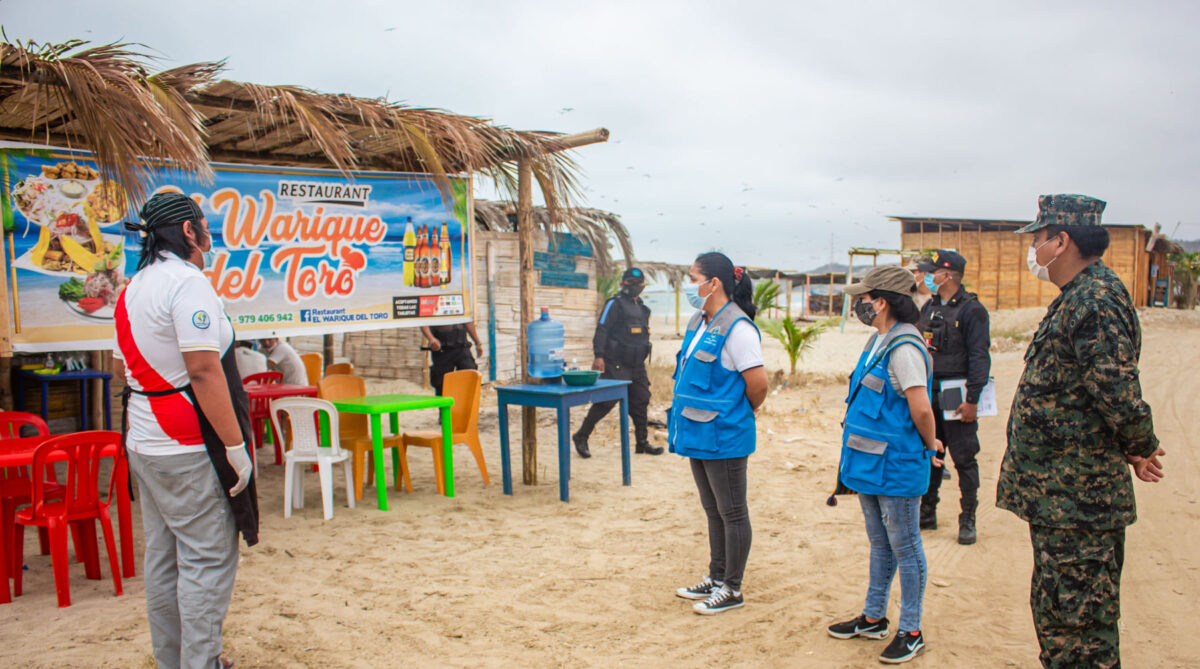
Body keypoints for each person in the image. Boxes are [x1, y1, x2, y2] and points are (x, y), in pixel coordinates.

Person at [997, 194, 1164, 668]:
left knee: (1080, 630)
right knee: (1059, 618)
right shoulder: (1079, 297)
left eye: (1036, 239)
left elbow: (1116, 390)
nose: (1032, 249)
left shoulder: (1095, 300)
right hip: (1062, 499)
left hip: (1079, 502)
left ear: (1061, 240)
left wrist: (1140, 444)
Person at [115, 191, 257, 669]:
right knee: (207, 558)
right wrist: (235, 447)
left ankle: (172, 660)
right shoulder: (188, 283)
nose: (209, 232)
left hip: (143, 438)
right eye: (203, 223)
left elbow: (124, 369)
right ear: (188, 232)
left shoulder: (134, 287)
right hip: (185, 440)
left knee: (163, 556)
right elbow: (202, 370)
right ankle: (201, 663)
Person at [826, 265, 943, 665]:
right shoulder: (877, 341)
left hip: (896, 465)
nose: (859, 303)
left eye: (864, 297)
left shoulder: (906, 347)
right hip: (867, 462)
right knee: (881, 544)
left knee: (906, 547)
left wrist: (932, 444)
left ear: (883, 301)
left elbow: (921, 408)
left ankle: (911, 630)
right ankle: (874, 617)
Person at [670, 252, 767, 615]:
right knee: (713, 510)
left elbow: (757, 384)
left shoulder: (738, 328)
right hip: (697, 431)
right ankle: (716, 576)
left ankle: (733, 588)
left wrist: (744, 410)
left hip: (725, 433)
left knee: (733, 512)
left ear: (715, 284)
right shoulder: (700, 320)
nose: (689, 284)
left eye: (694, 277)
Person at [915, 250, 991, 544]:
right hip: (930, 392)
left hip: (956, 395)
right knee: (930, 454)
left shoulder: (972, 311)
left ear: (947, 276)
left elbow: (979, 356)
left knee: (964, 458)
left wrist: (973, 399)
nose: (928, 277)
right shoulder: (929, 308)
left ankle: (967, 519)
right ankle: (927, 511)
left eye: (933, 272)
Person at [573, 267, 661, 457]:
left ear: (643, 286)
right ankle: (581, 436)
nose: (634, 286)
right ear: (622, 284)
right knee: (607, 401)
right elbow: (602, 329)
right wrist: (599, 355)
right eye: (629, 283)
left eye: (637, 284)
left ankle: (642, 443)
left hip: (637, 364)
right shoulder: (614, 304)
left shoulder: (644, 309)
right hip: (616, 363)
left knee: (640, 401)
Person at [420, 321, 482, 395]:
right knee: (441, 382)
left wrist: (477, 343)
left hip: (462, 346)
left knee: (470, 372)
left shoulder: (464, 309)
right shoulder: (431, 309)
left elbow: (468, 322)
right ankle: (444, 405)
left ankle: (465, 402)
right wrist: (431, 339)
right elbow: (423, 321)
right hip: (442, 348)